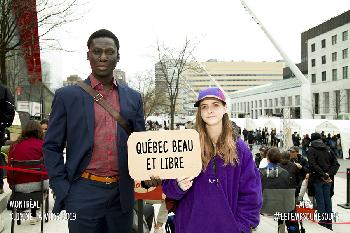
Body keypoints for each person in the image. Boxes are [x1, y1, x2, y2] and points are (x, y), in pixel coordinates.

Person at [43, 29, 146, 233]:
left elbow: (141, 144)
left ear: (118, 56)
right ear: (88, 54)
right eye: (97, 51)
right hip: (82, 192)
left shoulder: (134, 98)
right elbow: (51, 146)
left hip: (121, 195)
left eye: (109, 51)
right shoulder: (66, 96)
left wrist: (150, 172)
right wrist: (62, 187)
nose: (103, 57)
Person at [162, 87, 262, 233]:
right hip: (190, 227)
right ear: (200, 112)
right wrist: (178, 186)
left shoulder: (239, 149)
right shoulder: (185, 145)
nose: (210, 110)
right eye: (204, 106)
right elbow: (168, 189)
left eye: (215, 105)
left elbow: (251, 194)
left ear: (225, 108)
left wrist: (241, 227)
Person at [7, 120, 49, 224]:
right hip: (39, 185)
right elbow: (49, 167)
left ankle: (23, 209)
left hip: (18, 186)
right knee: (37, 179)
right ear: (39, 131)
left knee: (28, 179)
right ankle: (34, 215)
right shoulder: (43, 145)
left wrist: (11, 183)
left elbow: (9, 168)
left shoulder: (14, 145)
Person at [307, 133, 340, 230]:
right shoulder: (328, 149)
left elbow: (313, 164)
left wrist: (323, 174)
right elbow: (336, 164)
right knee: (328, 201)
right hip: (328, 180)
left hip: (318, 179)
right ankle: (329, 226)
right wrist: (328, 174)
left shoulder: (311, 150)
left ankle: (323, 226)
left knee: (320, 202)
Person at [0, 83, 15, 194]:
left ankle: (0, 185)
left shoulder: (4, 90)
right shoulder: (4, 90)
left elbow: (10, 109)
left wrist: (3, 124)